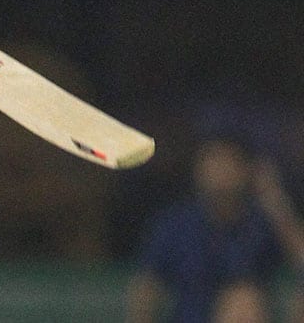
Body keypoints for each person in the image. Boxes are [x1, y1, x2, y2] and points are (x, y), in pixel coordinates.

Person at [125, 132, 304, 323]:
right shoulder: (177, 224)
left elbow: (301, 258)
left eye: (229, 161)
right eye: (212, 160)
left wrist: (273, 197)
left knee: (243, 298)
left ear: (246, 169)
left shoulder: (261, 221)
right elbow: (146, 288)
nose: (220, 171)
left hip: (248, 313)